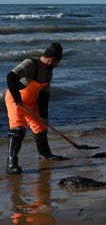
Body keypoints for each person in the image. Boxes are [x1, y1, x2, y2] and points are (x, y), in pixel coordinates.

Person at [5, 43, 65, 174]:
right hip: (15, 101)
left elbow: (44, 95)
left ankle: (45, 154)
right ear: (52, 60)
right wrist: (17, 99)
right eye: (58, 62)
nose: (57, 65)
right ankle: (11, 164)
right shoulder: (30, 63)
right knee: (18, 129)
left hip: (32, 103)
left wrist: (44, 116)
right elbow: (10, 77)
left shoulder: (49, 73)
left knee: (41, 127)